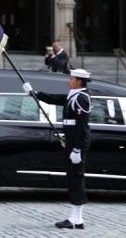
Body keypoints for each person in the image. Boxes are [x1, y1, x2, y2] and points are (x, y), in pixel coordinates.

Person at [23, 68, 92, 229]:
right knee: (73, 179)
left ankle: (76, 219)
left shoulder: (82, 98)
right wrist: (34, 93)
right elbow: (55, 99)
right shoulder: (74, 95)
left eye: (72, 79)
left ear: (79, 81)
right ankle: (76, 219)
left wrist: (77, 149)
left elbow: (82, 127)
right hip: (71, 141)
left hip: (76, 144)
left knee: (76, 179)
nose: (70, 81)